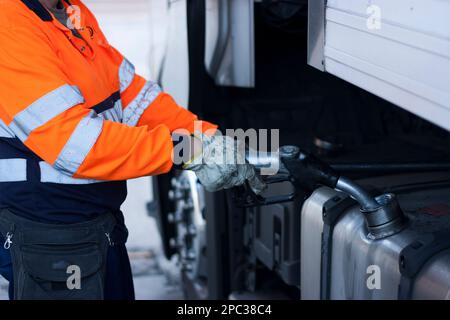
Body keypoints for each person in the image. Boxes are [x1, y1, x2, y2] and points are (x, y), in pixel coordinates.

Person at [0, 0, 264, 300]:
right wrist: (189, 150)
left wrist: (204, 135)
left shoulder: (69, 10)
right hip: (48, 234)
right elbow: (78, 145)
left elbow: (131, 95)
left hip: (94, 225)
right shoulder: (8, 26)